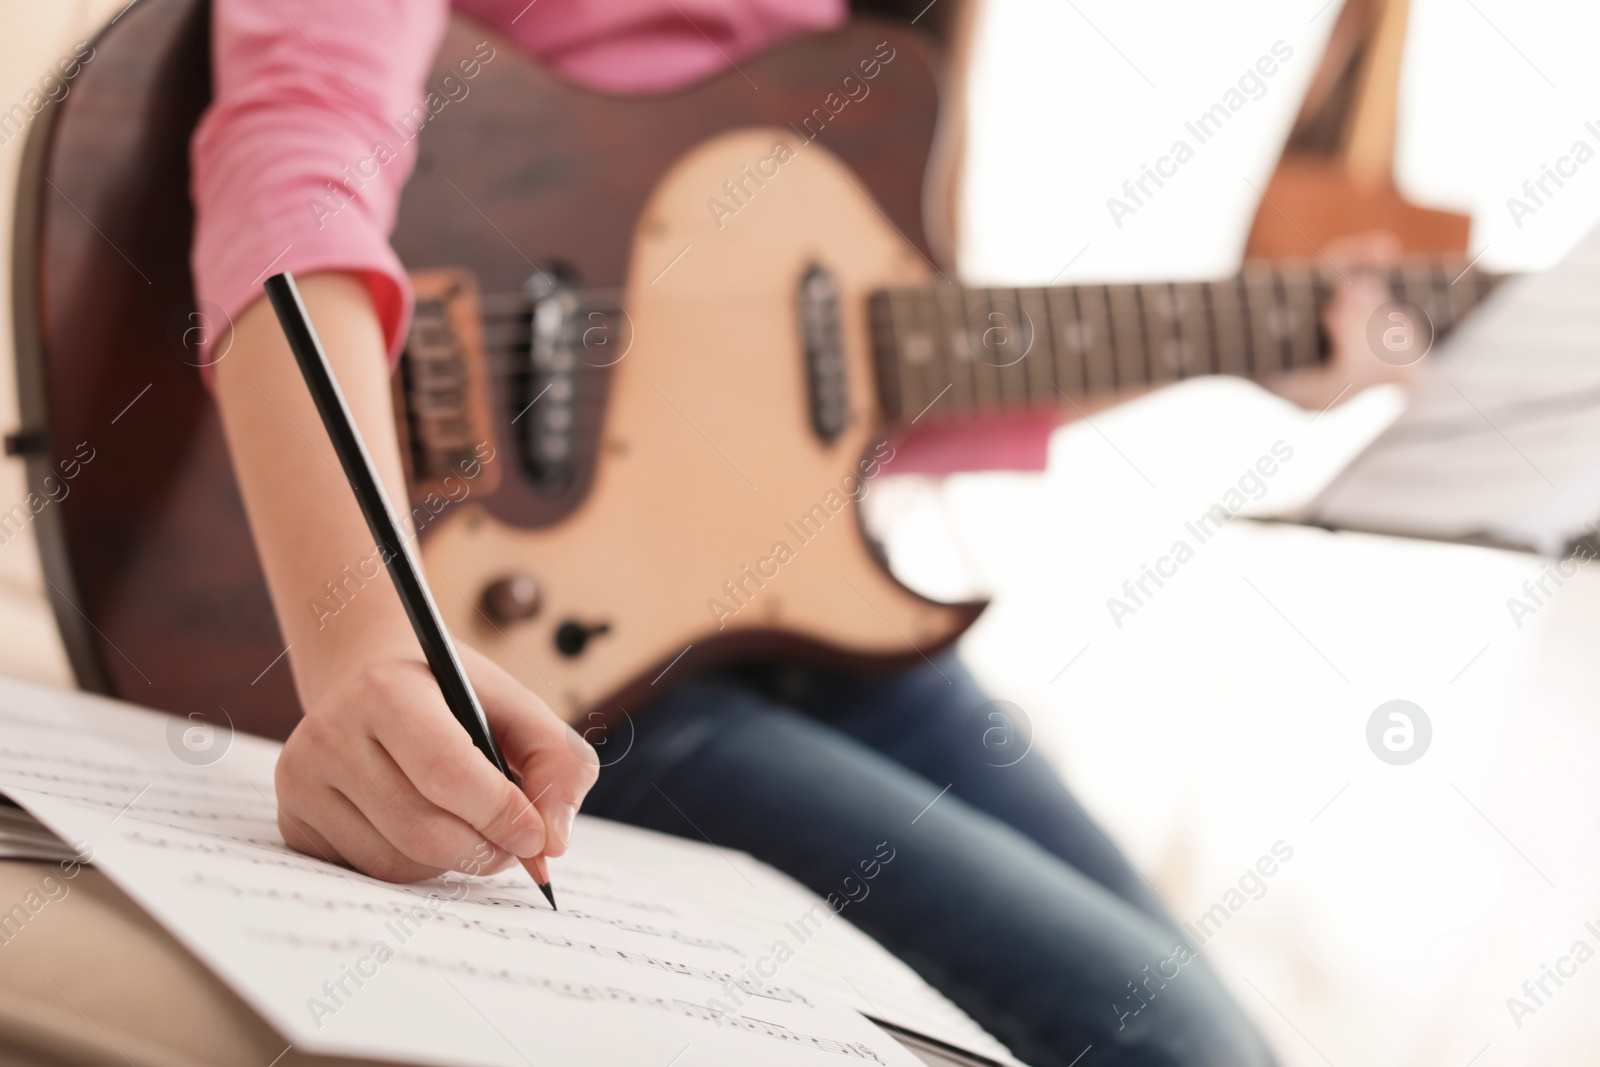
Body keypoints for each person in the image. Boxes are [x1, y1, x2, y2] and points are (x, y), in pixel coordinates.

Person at [190, 2, 1406, 1063]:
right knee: (1168, 1040)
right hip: (577, 671)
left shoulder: (877, 59)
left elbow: (835, 389)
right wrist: (365, 630)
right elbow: (297, 142)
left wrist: (1251, 342)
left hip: (778, 618)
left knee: (1227, 1031)